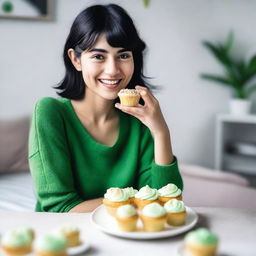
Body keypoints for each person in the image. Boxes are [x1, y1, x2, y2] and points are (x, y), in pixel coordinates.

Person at [28, 4, 183, 213]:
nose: (112, 70)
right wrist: (141, 201)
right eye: (98, 56)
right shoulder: (50, 113)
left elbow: (168, 200)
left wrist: (161, 131)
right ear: (76, 59)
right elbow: (60, 208)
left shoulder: (140, 119)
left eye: (123, 55)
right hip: (67, 238)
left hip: (129, 236)